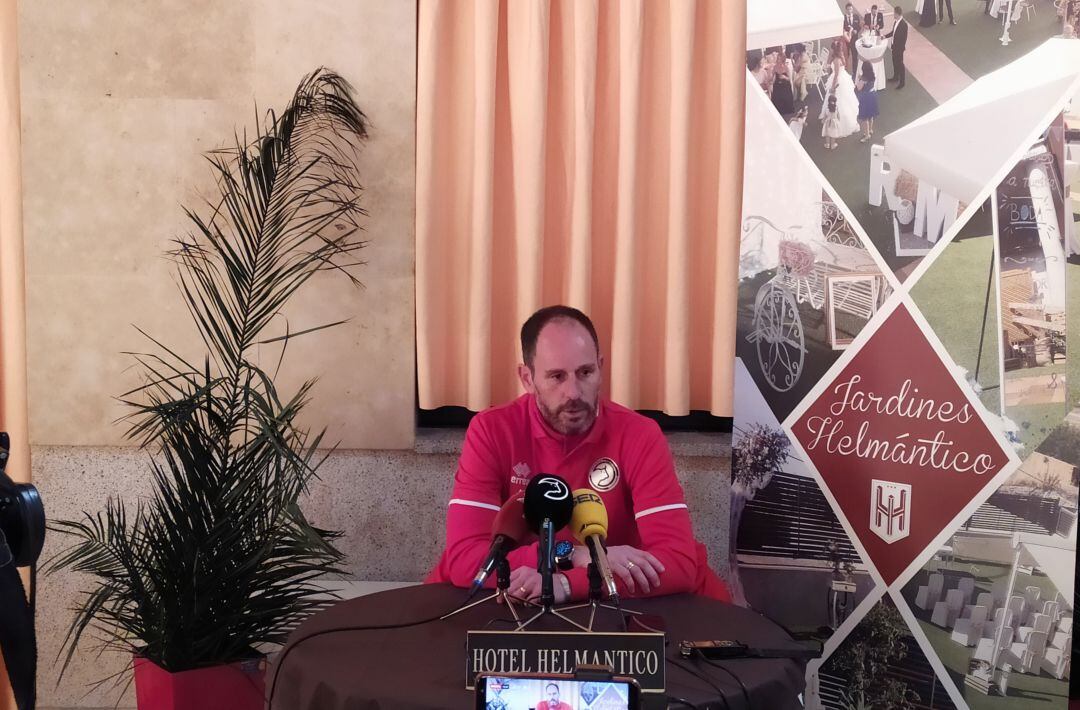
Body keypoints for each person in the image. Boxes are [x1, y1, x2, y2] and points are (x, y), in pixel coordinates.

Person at [425, 305, 730, 603]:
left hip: (621, 604)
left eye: (585, 372)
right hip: (521, 599)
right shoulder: (491, 430)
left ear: (601, 366)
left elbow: (676, 563)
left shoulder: (640, 435)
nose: (573, 392)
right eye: (557, 376)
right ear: (527, 378)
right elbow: (467, 561)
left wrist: (566, 583)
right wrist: (573, 555)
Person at [818, 39, 860, 139]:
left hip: (838, 81)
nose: (830, 51)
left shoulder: (836, 60)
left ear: (834, 50)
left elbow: (836, 75)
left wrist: (833, 87)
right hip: (843, 77)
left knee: (838, 100)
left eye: (831, 49)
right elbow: (842, 68)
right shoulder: (840, 57)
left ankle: (836, 121)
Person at [885, 6, 909, 89]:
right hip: (894, 47)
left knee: (900, 64)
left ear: (897, 14)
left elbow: (904, 39)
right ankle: (896, 77)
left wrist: (899, 50)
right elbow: (893, 32)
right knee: (894, 62)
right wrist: (885, 36)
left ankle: (902, 82)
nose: (893, 14)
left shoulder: (904, 25)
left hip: (898, 49)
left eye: (894, 13)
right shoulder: (896, 22)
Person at [856, 63, 879, 143]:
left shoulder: (863, 79)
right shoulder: (873, 76)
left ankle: (867, 135)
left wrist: (859, 79)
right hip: (873, 95)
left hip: (865, 97)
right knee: (871, 115)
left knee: (864, 118)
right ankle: (870, 129)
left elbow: (859, 88)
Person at [842, 3, 862, 75]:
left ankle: (855, 71)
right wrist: (848, 32)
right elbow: (842, 29)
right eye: (848, 9)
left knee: (854, 56)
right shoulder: (843, 18)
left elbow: (859, 26)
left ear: (852, 9)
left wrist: (857, 30)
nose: (850, 11)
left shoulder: (856, 17)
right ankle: (845, 71)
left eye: (851, 9)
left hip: (854, 40)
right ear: (846, 10)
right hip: (846, 41)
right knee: (845, 55)